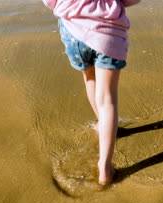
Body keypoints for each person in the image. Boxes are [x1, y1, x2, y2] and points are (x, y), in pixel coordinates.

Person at [42, 0, 141, 185]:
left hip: (73, 31)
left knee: (90, 79)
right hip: (107, 32)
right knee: (108, 100)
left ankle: (102, 125)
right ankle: (105, 167)